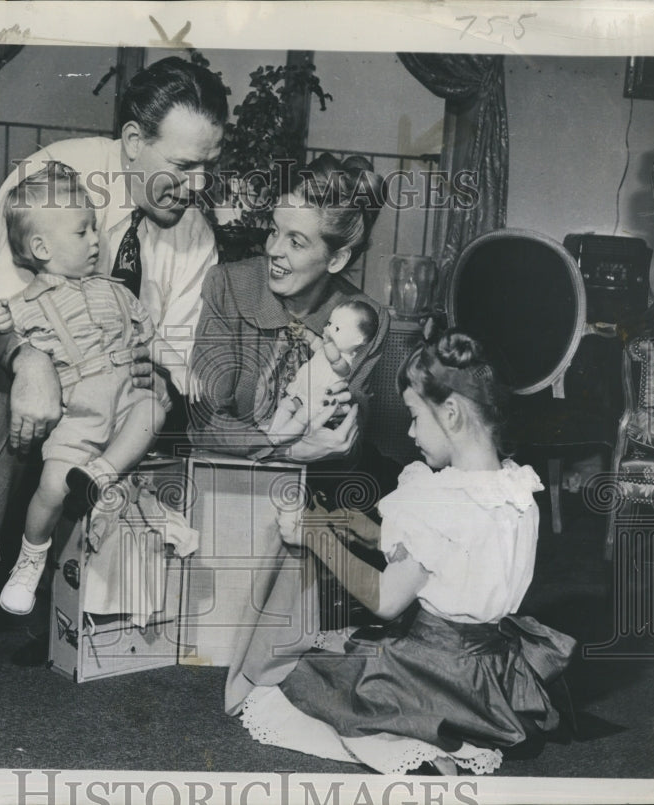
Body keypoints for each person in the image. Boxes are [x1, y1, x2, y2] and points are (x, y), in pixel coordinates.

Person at [0, 56, 228, 669]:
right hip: (9, 337)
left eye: (208, 168)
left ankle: (71, 591)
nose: (198, 187)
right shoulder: (49, 178)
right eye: (183, 167)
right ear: (135, 143)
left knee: (144, 410)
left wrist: (157, 373)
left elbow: (174, 341)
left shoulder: (193, 231)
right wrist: (29, 356)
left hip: (109, 370)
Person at [238, 331, 576, 775]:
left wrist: (316, 538)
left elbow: (386, 600)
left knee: (299, 684)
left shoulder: (442, 502)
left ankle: (417, 750)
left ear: (451, 413)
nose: (411, 431)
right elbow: (453, 559)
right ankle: (451, 736)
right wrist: (353, 527)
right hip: (491, 673)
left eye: (416, 416)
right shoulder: (515, 490)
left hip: (436, 670)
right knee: (348, 650)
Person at [187, 153, 390, 711]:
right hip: (223, 497)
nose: (274, 249)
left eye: (297, 242)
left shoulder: (364, 318)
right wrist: (288, 445)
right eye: (275, 230)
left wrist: (341, 435)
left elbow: (341, 439)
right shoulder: (228, 285)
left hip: (305, 502)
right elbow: (201, 424)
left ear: (339, 256)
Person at [0, 162, 165, 615]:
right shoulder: (24, 304)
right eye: (83, 232)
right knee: (52, 487)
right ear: (41, 247)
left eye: (95, 228)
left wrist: (154, 359)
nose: (97, 239)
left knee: (154, 410)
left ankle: (102, 473)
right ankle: (30, 557)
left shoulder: (115, 290)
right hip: (78, 408)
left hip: (125, 397)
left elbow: (148, 338)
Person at [266, 300, 379, 443]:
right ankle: (272, 432)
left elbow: (335, 360)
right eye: (329, 324)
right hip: (302, 390)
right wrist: (303, 332)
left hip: (317, 400)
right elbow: (313, 341)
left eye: (337, 328)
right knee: (285, 405)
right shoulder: (325, 348)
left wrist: (329, 343)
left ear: (357, 340)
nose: (329, 329)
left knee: (301, 418)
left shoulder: (344, 362)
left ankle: (278, 439)